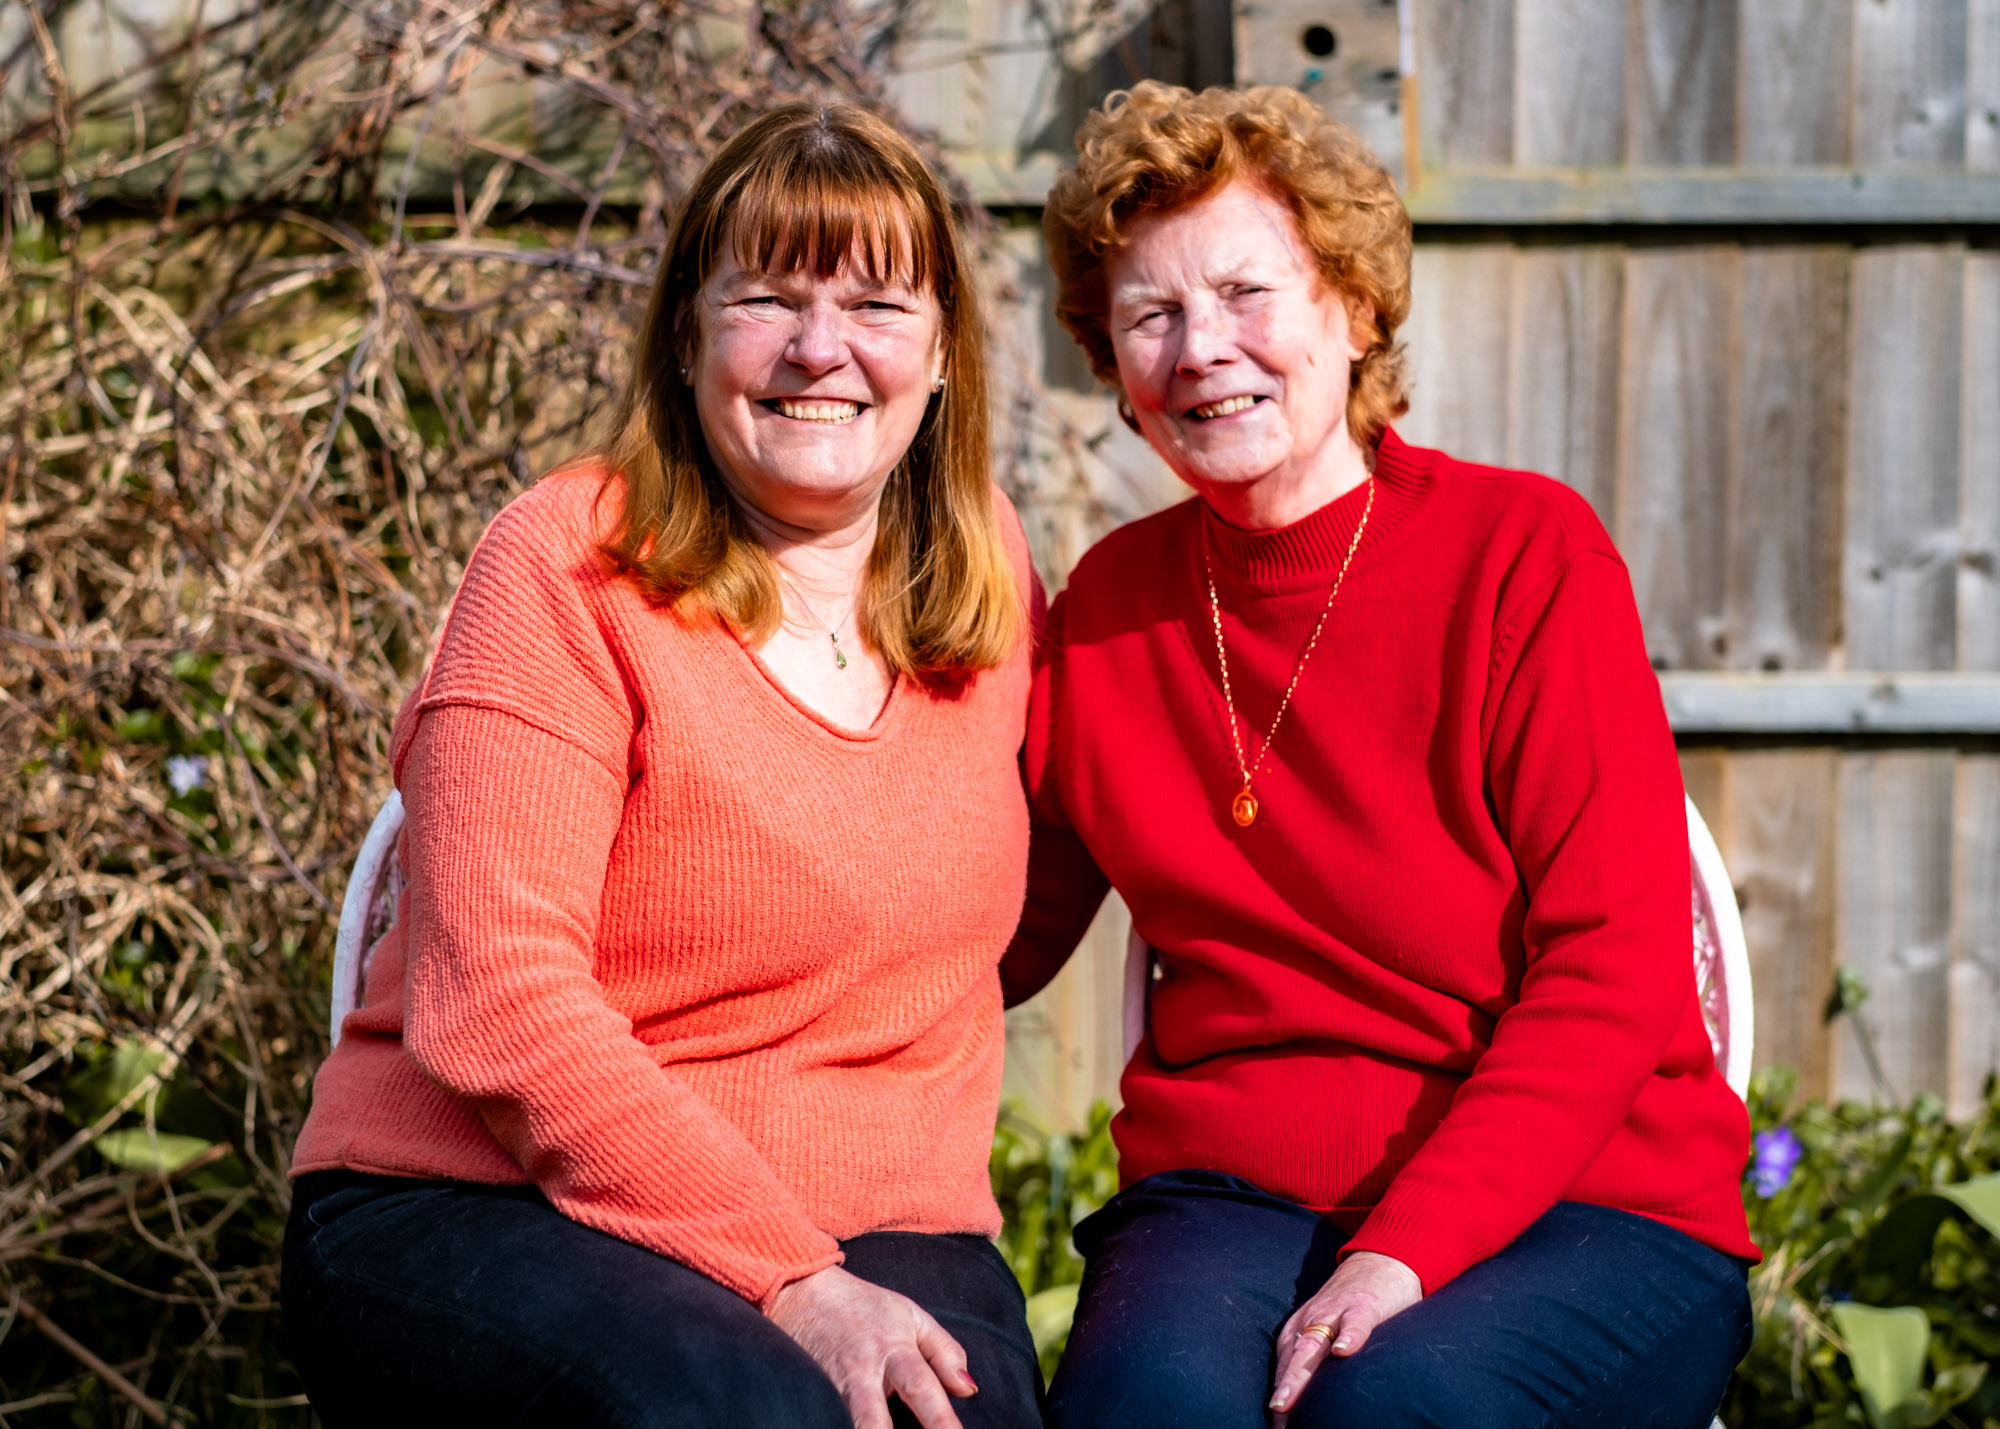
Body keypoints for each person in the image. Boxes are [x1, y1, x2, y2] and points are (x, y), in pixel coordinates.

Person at [1003, 81, 1759, 1429]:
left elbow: (1613, 962)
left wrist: (1402, 1249)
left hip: (1586, 1200)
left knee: (1391, 1410)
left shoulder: (1525, 557)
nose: (1200, 350)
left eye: (1246, 292)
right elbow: (981, 932)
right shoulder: (1107, 612)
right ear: (1111, 364)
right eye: (1150, 315)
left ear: (1351, 308)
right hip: (1231, 1202)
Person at [283, 103, 1044, 1429]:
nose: (822, 350)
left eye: (874, 302)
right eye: (768, 298)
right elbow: (501, 1002)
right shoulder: (564, 564)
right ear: (690, 334)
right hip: (486, 1196)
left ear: (940, 358)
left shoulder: (987, 578)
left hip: (889, 1213)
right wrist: (792, 1277)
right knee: (745, 1410)